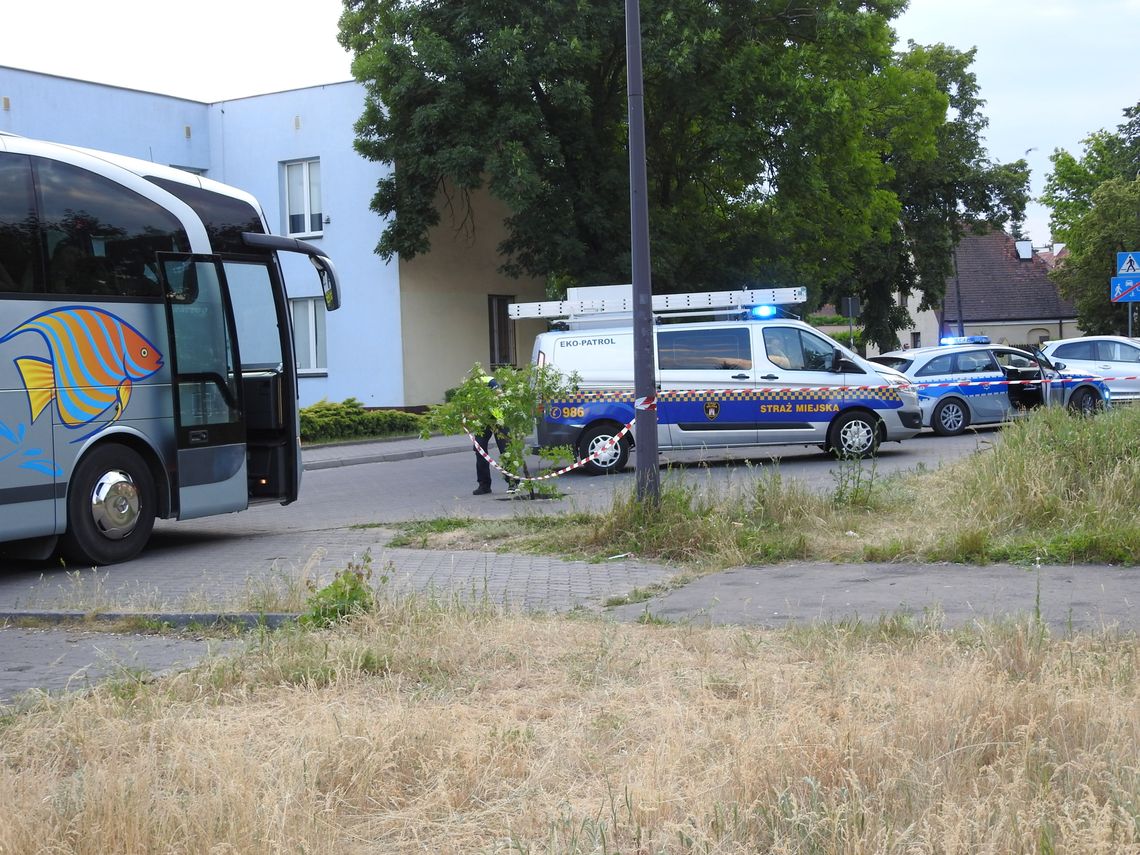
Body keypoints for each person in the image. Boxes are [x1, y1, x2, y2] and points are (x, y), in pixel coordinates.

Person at [473, 375, 519, 495]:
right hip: (484, 420)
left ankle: (513, 482)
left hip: (499, 418)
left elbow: (499, 396)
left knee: (505, 450)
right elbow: (470, 409)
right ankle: (484, 485)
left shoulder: (490, 381)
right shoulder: (469, 390)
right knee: (479, 449)